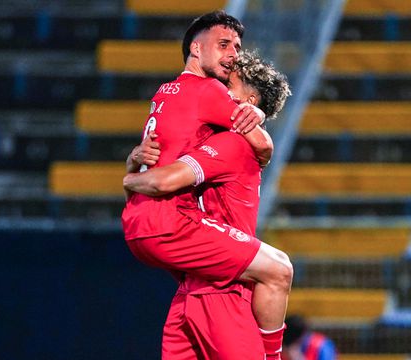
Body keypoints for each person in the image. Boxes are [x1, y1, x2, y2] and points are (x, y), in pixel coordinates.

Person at [121, 11, 293, 359]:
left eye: (236, 47)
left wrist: (130, 169)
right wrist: (255, 119)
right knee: (279, 268)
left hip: (187, 283)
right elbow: (264, 147)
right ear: (196, 50)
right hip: (218, 287)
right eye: (224, 45)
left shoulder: (165, 93)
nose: (232, 57)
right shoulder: (219, 117)